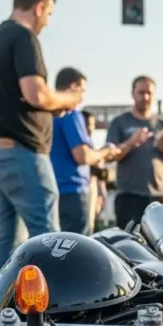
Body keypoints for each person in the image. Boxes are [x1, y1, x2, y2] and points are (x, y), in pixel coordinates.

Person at [0, 0, 83, 280]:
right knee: (48, 242)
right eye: (48, 13)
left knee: (8, 242)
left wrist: (50, 104)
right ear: (38, 8)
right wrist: (68, 98)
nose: (47, 22)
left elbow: (18, 98)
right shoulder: (23, 37)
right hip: (20, 153)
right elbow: (36, 93)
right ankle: (53, 321)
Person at [48, 68, 126, 234]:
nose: (82, 97)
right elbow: (82, 156)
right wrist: (105, 151)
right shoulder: (70, 114)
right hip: (72, 190)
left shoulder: (46, 114)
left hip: (49, 190)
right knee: (76, 246)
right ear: (74, 87)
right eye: (82, 91)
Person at [105, 75, 163, 230]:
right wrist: (131, 142)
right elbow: (110, 156)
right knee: (128, 245)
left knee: (160, 244)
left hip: (158, 196)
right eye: (141, 92)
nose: (145, 97)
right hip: (129, 196)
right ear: (133, 93)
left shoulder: (162, 124)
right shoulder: (120, 122)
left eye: (149, 93)